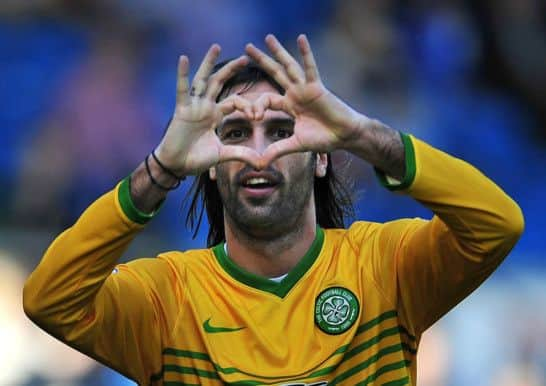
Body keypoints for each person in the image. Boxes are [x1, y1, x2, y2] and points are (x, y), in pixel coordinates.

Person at [23, 34, 524, 386]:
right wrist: (160, 170)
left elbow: (497, 224)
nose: (258, 155)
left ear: (322, 156)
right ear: (212, 167)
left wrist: (364, 136)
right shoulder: (165, 298)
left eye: (282, 133)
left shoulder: (386, 265)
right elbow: (50, 300)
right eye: (235, 135)